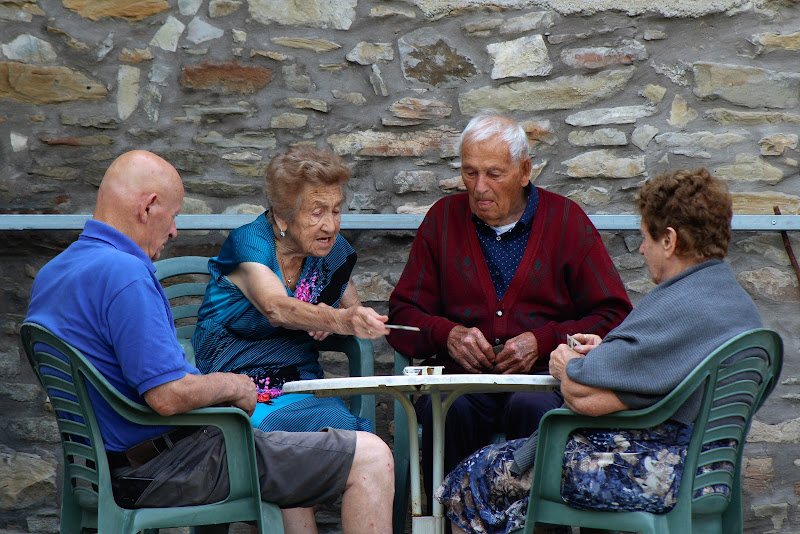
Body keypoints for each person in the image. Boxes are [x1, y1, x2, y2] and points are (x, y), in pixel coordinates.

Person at [25, 150, 393, 534]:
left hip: (103, 467)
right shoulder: (126, 273)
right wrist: (234, 384)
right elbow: (167, 395)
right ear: (148, 208)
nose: (174, 231)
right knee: (371, 456)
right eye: (174, 216)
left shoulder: (54, 273)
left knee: (295, 452)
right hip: (168, 465)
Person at [434, 167, 763, 534]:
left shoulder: (675, 304)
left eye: (644, 239)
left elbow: (587, 396)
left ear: (669, 241)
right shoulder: (735, 302)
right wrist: (606, 351)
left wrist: (566, 365)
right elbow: (653, 363)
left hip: (656, 472)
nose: (641, 249)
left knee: (470, 478)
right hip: (710, 471)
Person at [387, 112, 632, 502]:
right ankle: (458, 523)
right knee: (453, 410)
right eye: (470, 173)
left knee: (534, 410)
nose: (479, 188)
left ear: (524, 171)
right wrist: (447, 335)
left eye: (494, 174)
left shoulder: (566, 221)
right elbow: (402, 317)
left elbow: (613, 316)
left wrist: (546, 340)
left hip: (541, 383)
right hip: (462, 384)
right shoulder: (443, 221)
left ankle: (537, 525)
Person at [191, 146, 389, 434]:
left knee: (346, 430)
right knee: (281, 434)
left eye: (336, 211)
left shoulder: (332, 254)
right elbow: (275, 307)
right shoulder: (249, 242)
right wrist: (334, 320)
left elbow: (350, 310)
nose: (330, 225)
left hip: (299, 384)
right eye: (317, 213)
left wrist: (335, 316)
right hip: (235, 389)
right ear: (283, 217)